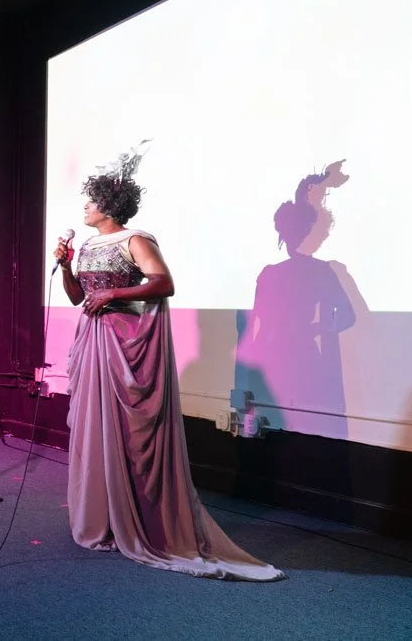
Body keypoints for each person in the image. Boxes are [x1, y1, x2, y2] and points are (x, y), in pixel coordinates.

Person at [52, 142, 283, 582]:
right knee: (95, 428)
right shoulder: (83, 246)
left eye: (90, 199)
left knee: (128, 432)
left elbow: (164, 283)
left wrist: (114, 293)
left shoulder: (136, 239)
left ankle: (140, 517)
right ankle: (102, 516)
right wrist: (64, 266)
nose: (84, 206)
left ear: (107, 204)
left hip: (125, 345)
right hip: (95, 343)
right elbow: (79, 298)